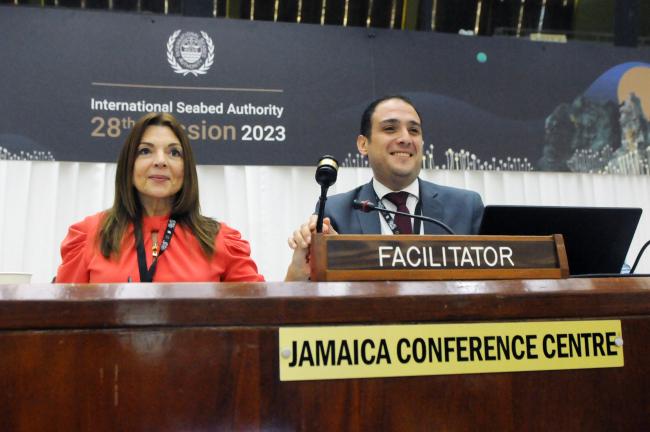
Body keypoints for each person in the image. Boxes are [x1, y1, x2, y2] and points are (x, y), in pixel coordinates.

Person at [285, 95, 484, 280]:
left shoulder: (466, 207)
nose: (405, 138)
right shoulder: (335, 213)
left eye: (414, 130)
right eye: (390, 129)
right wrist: (335, 256)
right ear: (363, 144)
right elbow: (318, 292)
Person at [56, 112, 264, 283]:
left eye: (174, 153)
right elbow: (63, 319)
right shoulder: (89, 235)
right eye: (145, 151)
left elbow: (265, 314)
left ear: (187, 169)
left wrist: (297, 272)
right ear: (129, 165)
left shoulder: (220, 240)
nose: (161, 161)